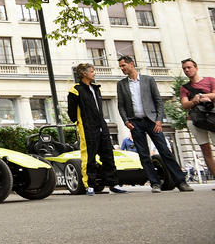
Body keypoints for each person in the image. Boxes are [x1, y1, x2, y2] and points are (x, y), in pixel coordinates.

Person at [115, 55, 191, 193]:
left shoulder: (148, 80)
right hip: (134, 123)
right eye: (120, 66)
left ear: (131, 64)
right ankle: (155, 183)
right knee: (143, 155)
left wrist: (159, 120)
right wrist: (126, 121)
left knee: (165, 151)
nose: (122, 69)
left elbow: (158, 101)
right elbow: (120, 106)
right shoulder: (121, 84)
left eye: (123, 65)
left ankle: (181, 182)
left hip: (152, 121)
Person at [68, 63, 125, 195]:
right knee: (89, 157)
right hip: (87, 128)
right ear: (84, 74)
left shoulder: (96, 88)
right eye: (92, 71)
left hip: (101, 126)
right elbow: (71, 112)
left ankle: (113, 183)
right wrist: (79, 123)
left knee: (108, 156)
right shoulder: (75, 90)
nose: (94, 73)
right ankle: (90, 185)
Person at [179, 57, 215, 190]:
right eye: (184, 69)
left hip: (212, 118)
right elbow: (184, 104)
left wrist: (205, 96)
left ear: (196, 67)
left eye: (189, 67)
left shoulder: (210, 80)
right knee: (206, 151)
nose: (187, 70)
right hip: (195, 121)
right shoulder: (184, 88)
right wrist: (195, 100)